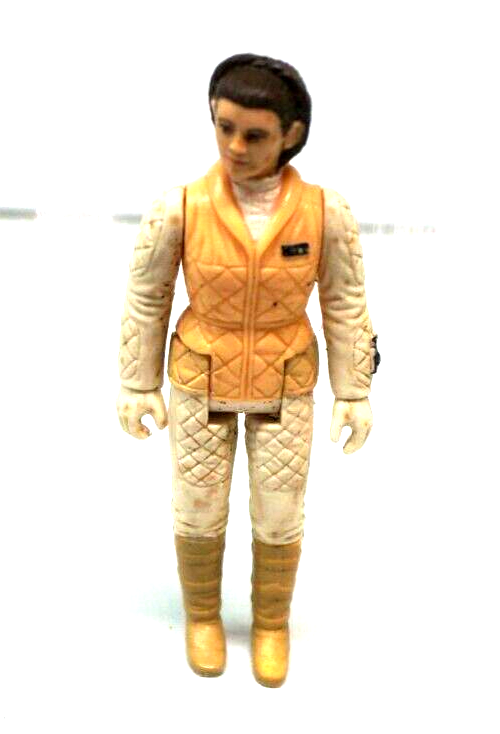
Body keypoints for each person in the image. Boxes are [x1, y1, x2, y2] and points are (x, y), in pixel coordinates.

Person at [117, 53, 379, 688]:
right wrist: (137, 381)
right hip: (199, 377)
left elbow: (346, 301)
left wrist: (354, 390)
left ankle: (270, 623)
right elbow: (147, 296)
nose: (235, 146)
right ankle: (203, 616)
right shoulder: (179, 208)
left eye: (254, 134)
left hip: (285, 381)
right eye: (224, 127)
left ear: (291, 134)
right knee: (197, 507)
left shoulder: (325, 212)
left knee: (281, 511)